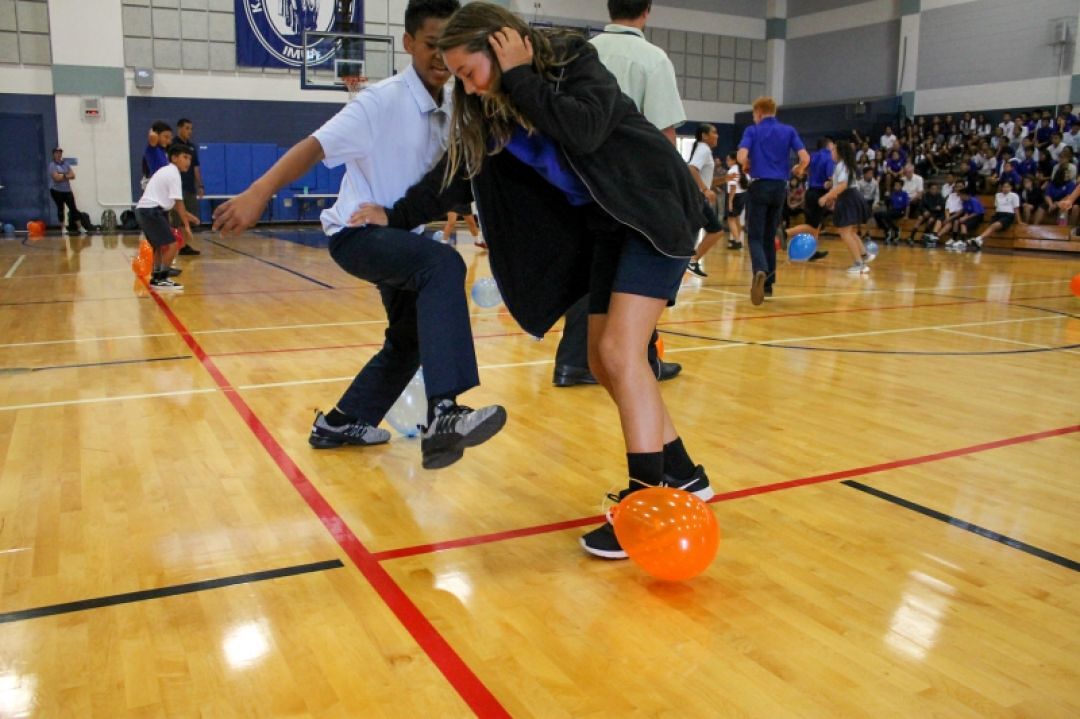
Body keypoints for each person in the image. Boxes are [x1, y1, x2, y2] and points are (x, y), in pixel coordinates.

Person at [361, 1, 714, 558]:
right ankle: (684, 473)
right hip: (610, 228)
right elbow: (456, 175)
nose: (467, 88)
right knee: (601, 357)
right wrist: (395, 214)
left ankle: (645, 503)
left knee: (621, 353)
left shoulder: (572, 61)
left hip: (653, 210)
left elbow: (584, 130)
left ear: (498, 46)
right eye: (458, 79)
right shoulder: (493, 110)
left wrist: (521, 76)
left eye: (469, 72)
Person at [213, 0, 507, 471]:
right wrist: (257, 193)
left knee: (410, 340)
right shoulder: (380, 101)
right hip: (359, 234)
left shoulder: (458, 103)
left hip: (403, 237)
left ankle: (341, 421)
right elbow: (313, 147)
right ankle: (445, 414)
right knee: (444, 263)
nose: (440, 57)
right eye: (431, 45)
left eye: (448, 47)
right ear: (408, 43)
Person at [552, 0, 684, 386]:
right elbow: (663, 135)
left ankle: (576, 361)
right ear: (646, 11)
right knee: (637, 279)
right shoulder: (652, 59)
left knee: (590, 276)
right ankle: (633, 361)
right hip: (633, 191)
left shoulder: (583, 53)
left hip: (580, 184)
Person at [737, 97, 811, 304]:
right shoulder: (789, 131)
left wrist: (747, 163)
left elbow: (741, 156)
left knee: (755, 236)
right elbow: (805, 158)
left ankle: (760, 269)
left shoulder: (752, 130)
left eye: (754, 114)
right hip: (780, 188)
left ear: (759, 112)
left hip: (759, 185)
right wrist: (799, 169)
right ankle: (768, 285)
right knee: (770, 236)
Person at [135, 143, 199, 290]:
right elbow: (179, 203)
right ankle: (161, 278)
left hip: (144, 211)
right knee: (173, 245)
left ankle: (157, 274)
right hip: (151, 211)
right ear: (174, 158)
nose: (188, 162)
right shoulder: (173, 174)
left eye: (190, 158)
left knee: (158, 246)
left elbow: (174, 204)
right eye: (185, 157)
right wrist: (187, 226)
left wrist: (189, 217)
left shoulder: (167, 171)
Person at [817, 140, 873, 274]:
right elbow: (840, 183)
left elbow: (843, 185)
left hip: (849, 198)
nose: (831, 152)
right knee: (849, 231)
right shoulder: (842, 165)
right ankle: (864, 255)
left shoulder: (842, 165)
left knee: (845, 232)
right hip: (849, 198)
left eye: (833, 150)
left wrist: (826, 197)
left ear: (840, 152)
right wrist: (831, 185)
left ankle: (860, 264)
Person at [685, 123, 730, 276]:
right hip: (697, 197)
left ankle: (689, 261)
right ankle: (691, 261)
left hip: (696, 197)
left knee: (694, 232)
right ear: (704, 136)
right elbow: (692, 169)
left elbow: (705, 179)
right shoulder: (703, 149)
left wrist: (724, 179)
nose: (717, 135)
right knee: (716, 230)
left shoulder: (704, 150)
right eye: (714, 132)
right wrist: (705, 190)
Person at [783, 137, 832, 261]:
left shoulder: (812, 156)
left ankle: (811, 252)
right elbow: (830, 177)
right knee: (812, 226)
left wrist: (805, 172)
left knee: (816, 225)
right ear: (828, 146)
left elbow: (795, 169)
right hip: (819, 193)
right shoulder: (829, 157)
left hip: (810, 192)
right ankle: (785, 233)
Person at [171, 118, 203, 256]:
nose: (189, 131)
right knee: (177, 218)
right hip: (177, 187)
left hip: (190, 186)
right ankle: (176, 245)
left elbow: (196, 167)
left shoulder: (192, 147)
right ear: (179, 128)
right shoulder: (173, 145)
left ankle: (183, 245)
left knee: (189, 216)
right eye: (187, 128)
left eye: (191, 128)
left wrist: (200, 185)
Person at [47, 147, 93, 234]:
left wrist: (62, 175)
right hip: (56, 191)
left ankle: (80, 227)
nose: (59, 154)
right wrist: (66, 175)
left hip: (67, 190)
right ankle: (63, 228)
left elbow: (73, 175)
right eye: (57, 153)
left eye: (60, 153)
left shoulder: (65, 164)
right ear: (54, 154)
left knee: (73, 208)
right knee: (61, 208)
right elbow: (56, 178)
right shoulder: (52, 165)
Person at [970, 179, 1019, 249]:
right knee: (991, 226)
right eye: (1004, 187)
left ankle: (979, 238)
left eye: (1008, 187)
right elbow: (997, 207)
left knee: (994, 225)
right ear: (1001, 187)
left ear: (1011, 187)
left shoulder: (1014, 196)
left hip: (1008, 215)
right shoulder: (998, 195)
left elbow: (1016, 209)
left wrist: (1019, 221)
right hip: (998, 214)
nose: (1005, 188)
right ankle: (980, 241)